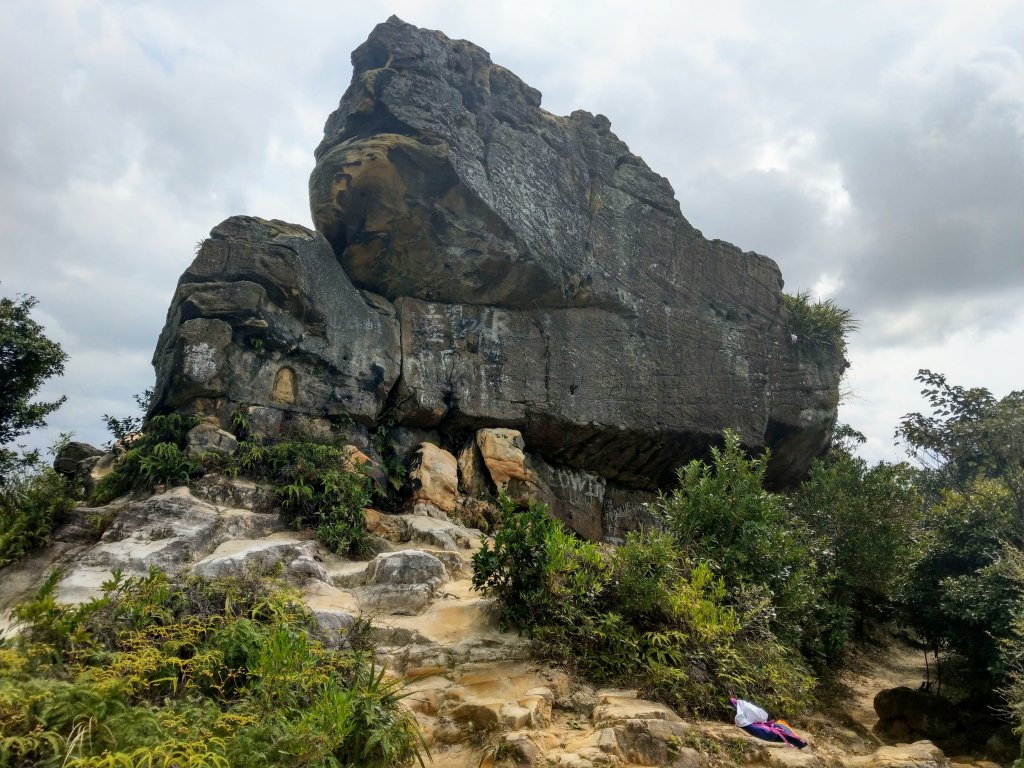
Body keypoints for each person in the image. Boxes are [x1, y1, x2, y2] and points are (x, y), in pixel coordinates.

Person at [729, 696, 808, 749]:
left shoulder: (743, 717)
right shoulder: (744, 715)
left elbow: (757, 716)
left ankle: (797, 741)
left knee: (780, 728)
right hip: (768, 733)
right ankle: (798, 741)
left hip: (768, 732)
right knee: (780, 726)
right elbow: (760, 715)